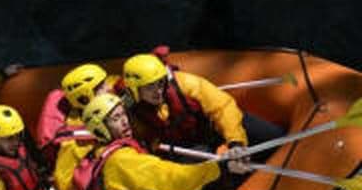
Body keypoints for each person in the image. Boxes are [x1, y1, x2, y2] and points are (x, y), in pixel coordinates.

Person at [72, 93, 251, 190]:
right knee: (201, 173)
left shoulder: (103, 152)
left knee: (200, 151)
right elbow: (175, 180)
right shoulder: (120, 161)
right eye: (115, 119)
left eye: (123, 114)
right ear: (100, 128)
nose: (124, 121)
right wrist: (222, 167)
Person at [122, 49, 284, 157]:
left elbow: (222, 107)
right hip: (188, 150)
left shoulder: (186, 84)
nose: (158, 91)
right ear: (135, 90)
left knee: (274, 136)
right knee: (204, 163)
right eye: (150, 87)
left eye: (160, 83)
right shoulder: (131, 112)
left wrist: (235, 143)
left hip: (214, 130)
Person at [35, 63, 119, 190]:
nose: (108, 88)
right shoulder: (73, 144)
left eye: (104, 83)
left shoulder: (105, 101)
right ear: (85, 98)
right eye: (101, 87)